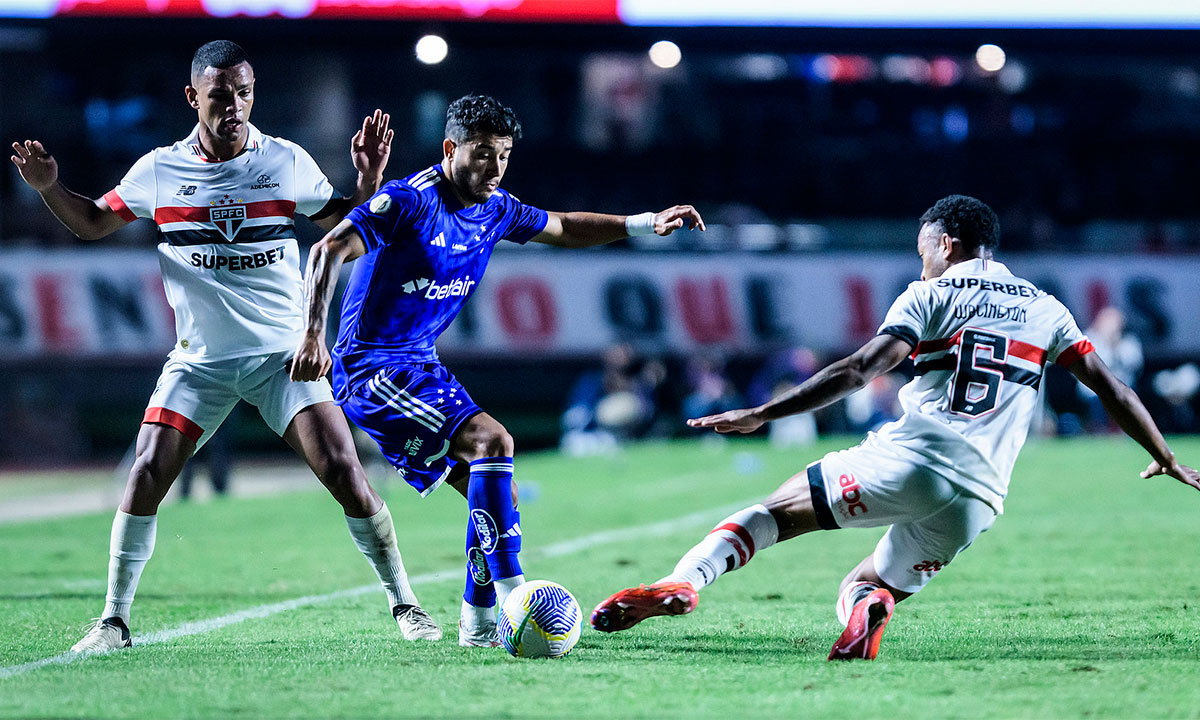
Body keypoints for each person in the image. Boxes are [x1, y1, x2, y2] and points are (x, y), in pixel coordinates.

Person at [590, 195, 1200, 660]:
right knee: (866, 583)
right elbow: (1111, 388)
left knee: (772, 514)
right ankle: (872, 607)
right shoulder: (1045, 307)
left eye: (923, 248)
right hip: (983, 497)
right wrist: (1166, 455)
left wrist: (763, 413)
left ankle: (684, 581)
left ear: (946, 241)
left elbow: (861, 369)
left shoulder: (929, 294)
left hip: (914, 458)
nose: (922, 259)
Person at [10, 40, 443, 653]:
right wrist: (50, 188)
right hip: (199, 363)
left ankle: (406, 603)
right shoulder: (159, 170)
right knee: (146, 474)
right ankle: (112, 621)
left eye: (244, 93)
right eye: (221, 95)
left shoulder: (285, 161)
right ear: (193, 97)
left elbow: (348, 227)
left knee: (345, 472)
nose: (235, 106)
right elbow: (90, 223)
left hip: (283, 357)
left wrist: (369, 180)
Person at [289, 94, 705, 648]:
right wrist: (314, 333)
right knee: (494, 442)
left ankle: (478, 622)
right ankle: (516, 595)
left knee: (490, 494)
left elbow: (562, 227)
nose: (494, 167)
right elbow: (325, 251)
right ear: (450, 148)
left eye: (504, 155)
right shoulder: (408, 200)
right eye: (482, 153)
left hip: (421, 366)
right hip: (372, 369)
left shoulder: (497, 206)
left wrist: (645, 223)